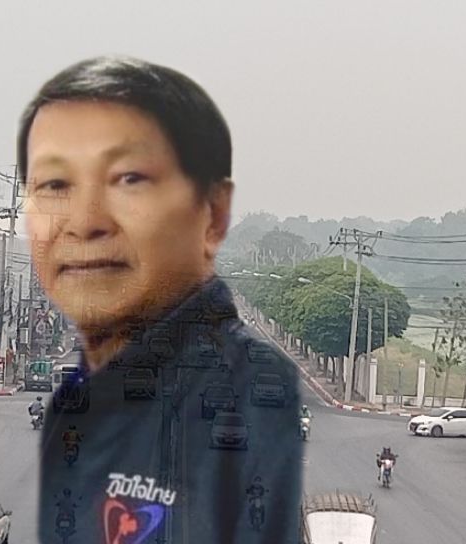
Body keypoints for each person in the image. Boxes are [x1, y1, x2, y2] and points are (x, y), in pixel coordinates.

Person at [21, 56, 302, 543]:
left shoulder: (253, 388)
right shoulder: (76, 402)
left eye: (130, 180)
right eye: (56, 185)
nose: (84, 222)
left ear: (212, 215)